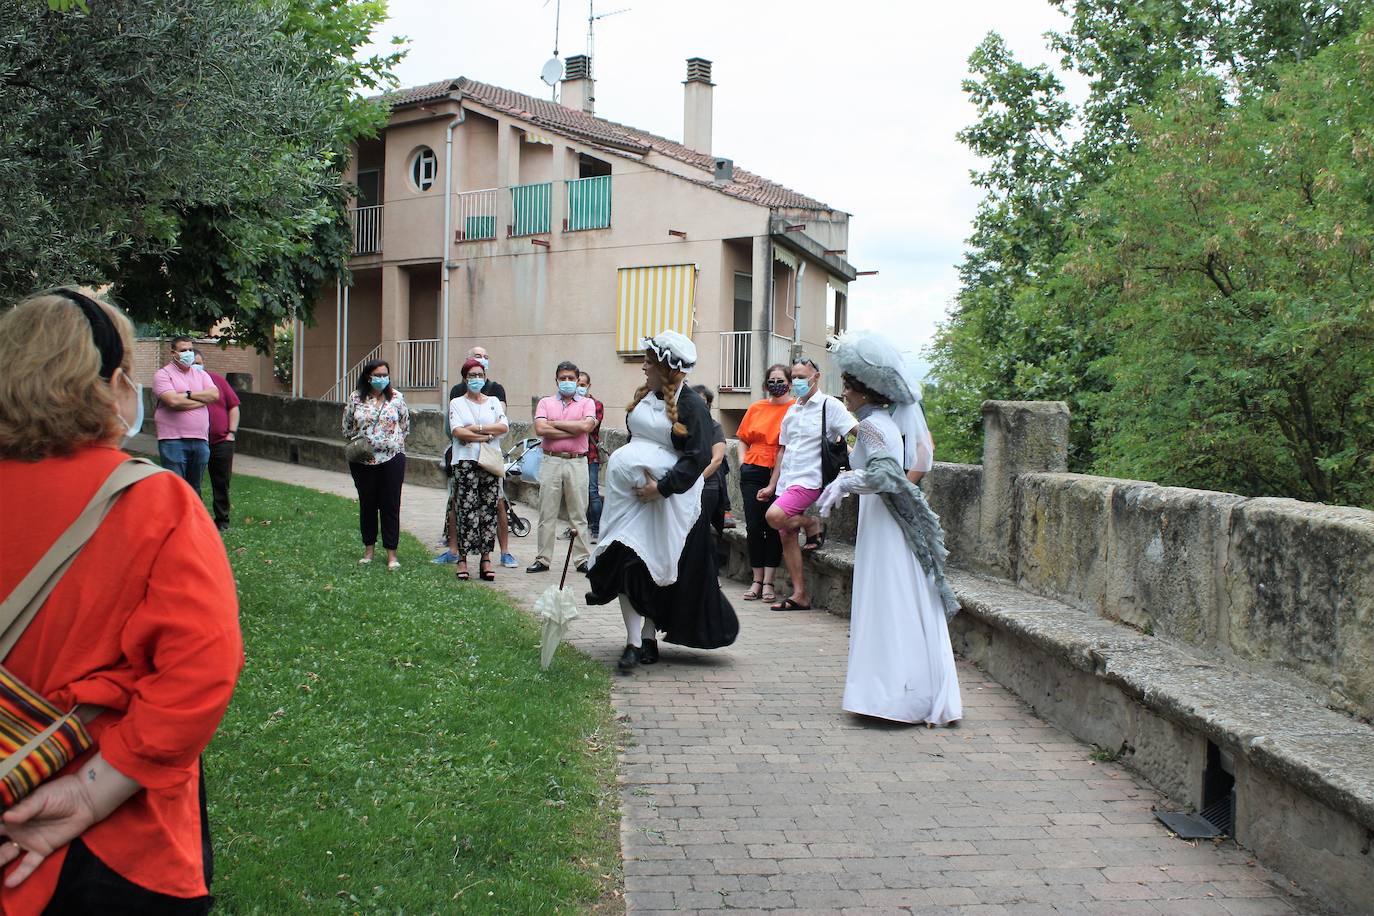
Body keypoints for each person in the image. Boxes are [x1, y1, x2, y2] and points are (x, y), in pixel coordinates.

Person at [0, 288, 243, 911]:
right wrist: (90, 792)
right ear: (110, 384)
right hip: (120, 840)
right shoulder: (151, 502)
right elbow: (200, 668)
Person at [816, 331, 962, 725]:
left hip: (882, 521)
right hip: (881, 519)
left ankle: (893, 696)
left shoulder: (872, 426)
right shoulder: (880, 422)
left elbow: (884, 474)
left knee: (887, 597)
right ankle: (894, 691)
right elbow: (909, 461)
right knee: (894, 594)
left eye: (847, 386)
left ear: (864, 391)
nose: (843, 393)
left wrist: (846, 481)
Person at [586, 332, 738, 670]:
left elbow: (696, 457)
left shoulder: (692, 405)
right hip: (629, 502)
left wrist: (661, 488)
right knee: (621, 559)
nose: (643, 366)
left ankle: (649, 635)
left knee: (656, 567)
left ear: (667, 369)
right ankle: (631, 640)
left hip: (667, 502)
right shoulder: (644, 396)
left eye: (649, 362)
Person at [759, 357, 857, 611]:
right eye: (795, 377)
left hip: (811, 479)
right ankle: (800, 593)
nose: (798, 381)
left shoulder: (830, 406)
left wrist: (884, 444)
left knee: (774, 516)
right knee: (786, 533)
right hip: (788, 479)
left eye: (803, 376)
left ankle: (811, 523)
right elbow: (783, 450)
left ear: (816, 377)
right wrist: (772, 485)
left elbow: (855, 431)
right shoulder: (792, 410)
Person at [442, 345, 517, 568]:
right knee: (465, 509)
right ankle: (462, 558)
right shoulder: (456, 401)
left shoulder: (494, 401)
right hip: (465, 461)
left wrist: (476, 429)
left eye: (480, 375)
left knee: (488, 510)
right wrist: (486, 434)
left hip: (489, 462)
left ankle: (486, 558)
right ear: (465, 378)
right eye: (472, 375)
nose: (476, 378)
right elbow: (457, 431)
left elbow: (503, 426)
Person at [528, 361, 597, 575]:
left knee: (578, 512)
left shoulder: (587, 403)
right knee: (546, 511)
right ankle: (543, 558)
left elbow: (586, 426)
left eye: (571, 378)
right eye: (562, 378)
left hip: (577, 461)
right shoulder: (545, 403)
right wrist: (573, 430)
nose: (567, 382)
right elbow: (540, 428)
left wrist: (554, 424)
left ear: (578, 381)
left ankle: (582, 559)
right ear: (556, 380)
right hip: (551, 460)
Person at [734, 364, 793, 603]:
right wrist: (742, 464)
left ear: (789, 383)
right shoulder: (756, 407)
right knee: (754, 526)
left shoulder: (794, 409)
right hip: (753, 468)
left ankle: (769, 581)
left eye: (781, 380)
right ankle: (756, 579)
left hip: (781, 469)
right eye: (772, 380)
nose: (776, 384)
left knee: (774, 526)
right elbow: (742, 439)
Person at [342, 360, 410, 569]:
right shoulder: (356, 398)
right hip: (364, 459)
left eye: (385, 374)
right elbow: (346, 428)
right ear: (368, 376)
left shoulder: (397, 398)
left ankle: (392, 554)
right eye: (377, 375)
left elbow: (405, 426)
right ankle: (368, 550)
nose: (382, 378)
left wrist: (389, 442)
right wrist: (365, 439)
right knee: (368, 504)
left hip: (392, 457)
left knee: (390, 505)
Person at [152, 334, 218, 491]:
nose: (188, 353)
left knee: (195, 488)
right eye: (183, 350)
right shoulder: (163, 374)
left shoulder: (201, 374)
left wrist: (187, 395)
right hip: (173, 440)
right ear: (173, 353)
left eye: (190, 349)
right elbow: (173, 401)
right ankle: (176, 516)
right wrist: (202, 400)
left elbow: (214, 395)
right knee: (176, 488)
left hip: (200, 439)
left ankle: (192, 516)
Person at [193, 350, 241, 531]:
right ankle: (196, 519)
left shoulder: (216, 381)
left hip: (221, 441)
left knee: (221, 482)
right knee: (193, 481)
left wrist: (231, 433)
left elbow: (234, 406)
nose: (196, 366)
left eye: (198, 362)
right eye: (192, 363)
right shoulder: (182, 385)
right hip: (196, 440)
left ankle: (222, 520)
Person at [690, 384, 729, 549]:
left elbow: (717, 460)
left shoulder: (714, 427)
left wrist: (695, 481)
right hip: (683, 486)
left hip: (706, 487)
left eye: (704, 402)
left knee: (700, 532)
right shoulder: (682, 426)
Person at [577, 371, 604, 540]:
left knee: (592, 491)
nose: (578, 387)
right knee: (576, 492)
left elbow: (589, 426)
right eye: (576, 383)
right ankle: (577, 527)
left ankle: (596, 528)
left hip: (591, 454)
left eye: (582, 384)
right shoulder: (571, 403)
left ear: (588, 386)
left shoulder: (596, 404)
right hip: (575, 453)